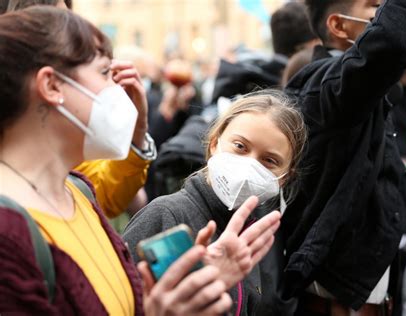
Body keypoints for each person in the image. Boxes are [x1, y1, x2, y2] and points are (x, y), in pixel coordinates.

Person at [0, 7, 280, 315]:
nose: (121, 88)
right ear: (52, 86)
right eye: (106, 72)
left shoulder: (79, 192)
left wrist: (189, 290)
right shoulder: (8, 233)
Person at [281, 0, 406, 314]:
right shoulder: (329, 84)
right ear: (338, 26)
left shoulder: (363, 93)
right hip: (334, 301)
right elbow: (387, 44)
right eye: (377, 7)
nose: (385, 15)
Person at [123, 90, 307, 315]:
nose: (249, 166)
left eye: (269, 160)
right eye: (240, 146)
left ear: (285, 177)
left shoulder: (257, 237)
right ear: (214, 144)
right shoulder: (165, 214)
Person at [4, 0, 156, 220]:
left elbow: (105, 194)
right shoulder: (10, 223)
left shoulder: (76, 188)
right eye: (103, 71)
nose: (75, 30)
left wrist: (137, 129)